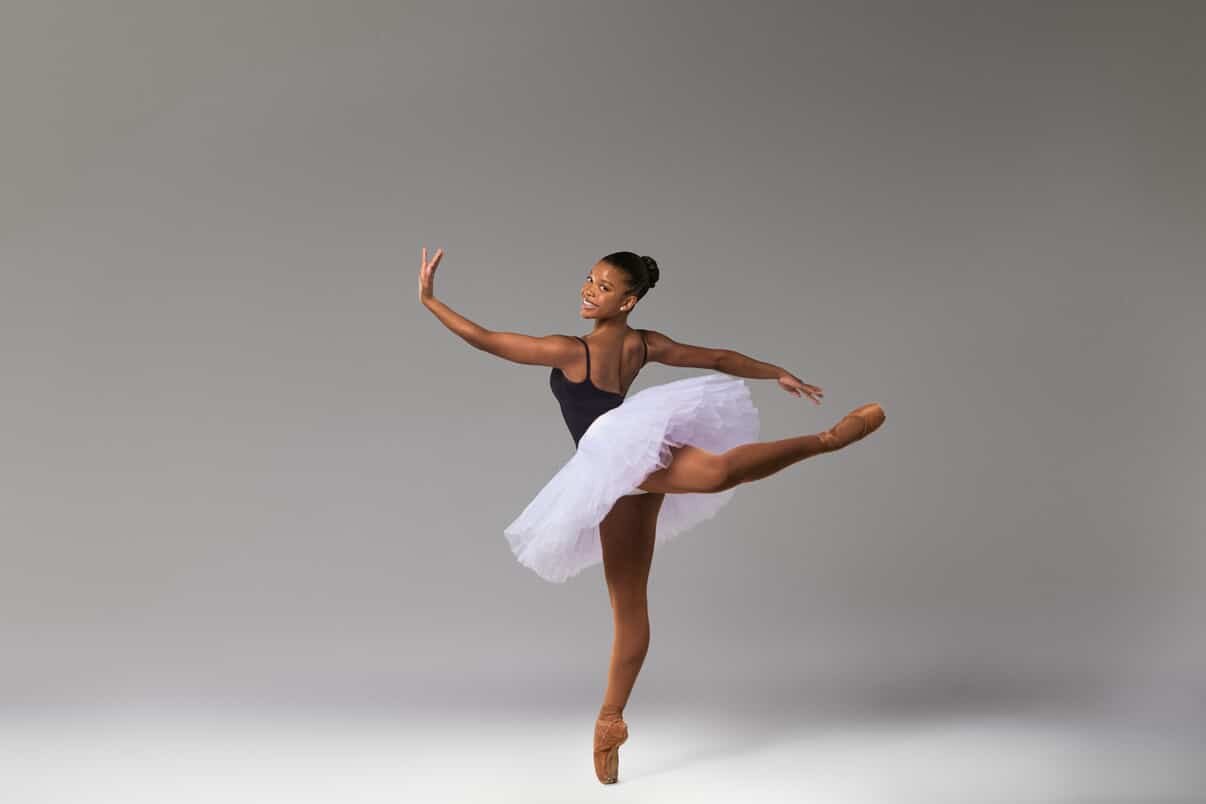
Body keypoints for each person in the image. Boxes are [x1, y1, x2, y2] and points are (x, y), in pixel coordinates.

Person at [419, 246, 885, 784]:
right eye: (589, 280)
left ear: (629, 300)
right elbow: (720, 359)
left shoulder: (571, 350)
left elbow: (490, 341)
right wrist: (775, 371)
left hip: (615, 454)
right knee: (629, 608)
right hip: (615, 472)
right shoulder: (643, 345)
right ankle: (609, 721)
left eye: (604, 286)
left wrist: (431, 301)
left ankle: (826, 440)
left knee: (713, 474)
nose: (589, 291)